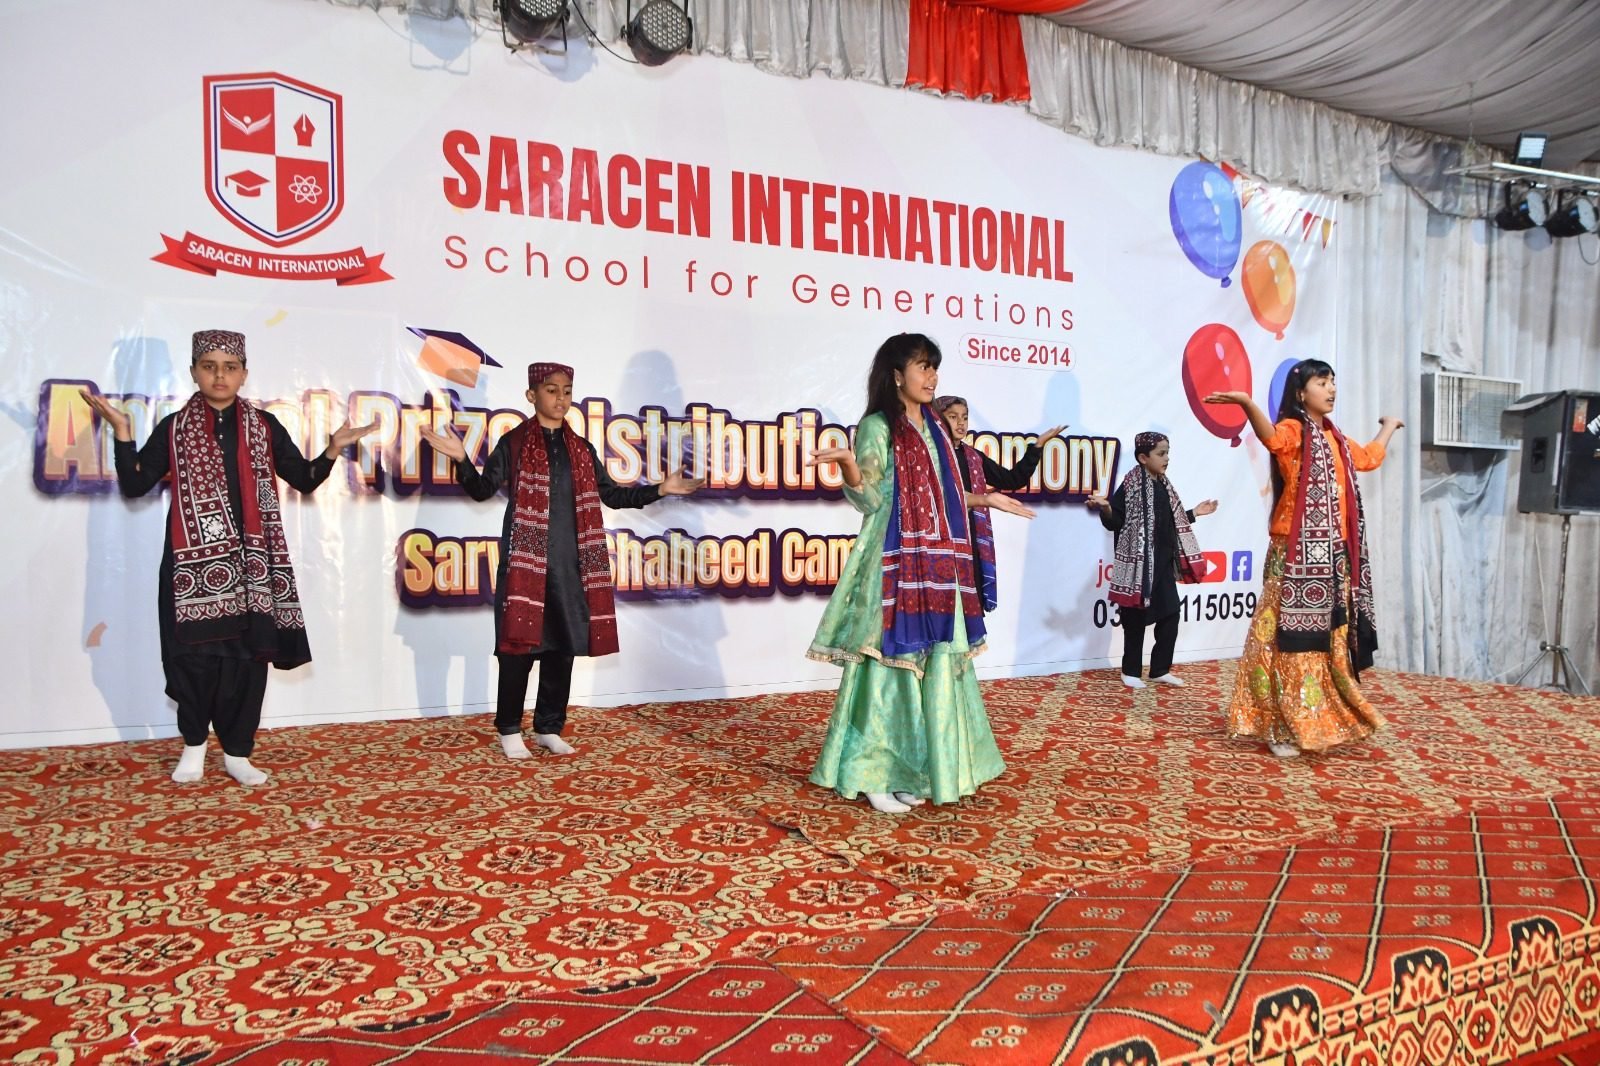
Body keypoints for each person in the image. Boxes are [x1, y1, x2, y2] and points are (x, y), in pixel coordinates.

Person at [81, 329, 375, 785]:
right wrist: (122, 432)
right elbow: (136, 484)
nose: (220, 376)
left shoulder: (264, 427)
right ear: (194, 372)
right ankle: (194, 746)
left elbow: (303, 478)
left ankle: (238, 752)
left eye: (230, 367)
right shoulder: (174, 428)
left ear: (243, 374)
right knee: (191, 659)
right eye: (209, 366)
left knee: (247, 662)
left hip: (253, 567)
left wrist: (333, 449)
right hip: (190, 569)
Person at [421, 362, 702, 760]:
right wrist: (461, 459)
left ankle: (548, 727)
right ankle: (509, 729)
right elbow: (482, 489)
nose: (561, 398)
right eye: (551, 390)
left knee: (561, 649)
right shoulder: (514, 444)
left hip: (572, 568)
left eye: (567, 391)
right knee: (517, 650)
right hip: (525, 568)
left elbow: (613, 495)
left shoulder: (581, 448)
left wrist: (660, 489)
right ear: (531, 395)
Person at [806, 334, 1034, 814]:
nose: (932, 377)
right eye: (923, 366)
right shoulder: (878, 427)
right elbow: (871, 499)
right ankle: (873, 773)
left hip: (939, 566)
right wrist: (849, 465)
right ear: (897, 375)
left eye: (934, 367)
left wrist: (986, 498)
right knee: (887, 665)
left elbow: (940, 496)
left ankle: (913, 769)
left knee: (933, 666)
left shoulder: (935, 427)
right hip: (894, 564)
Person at [1204, 359, 1403, 757]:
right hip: (1292, 553)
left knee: (1323, 642)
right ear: (1300, 393)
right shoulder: (1295, 431)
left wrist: (1389, 426)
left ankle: (1313, 716)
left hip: (1332, 556)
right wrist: (1247, 403)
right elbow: (1272, 439)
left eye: (1333, 382)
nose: (1331, 389)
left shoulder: (1336, 439)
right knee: (1280, 639)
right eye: (1322, 382)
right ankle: (1276, 724)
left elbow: (1368, 458)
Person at [1086, 432, 1217, 688]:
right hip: (1138, 568)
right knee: (1135, 621)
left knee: (1171, 614)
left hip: (1163, 565)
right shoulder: (1131, 485)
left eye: (1167, 453)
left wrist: (1194, 513)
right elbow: (1115, 521)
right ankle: (1130, 672)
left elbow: (1169, 522)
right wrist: (1106, 508)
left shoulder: (1165, 486)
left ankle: (1159, 669)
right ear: (1143, 458)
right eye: (1161, 453)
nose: (1167, 458)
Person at [933, 394, 1065, 613]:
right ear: (938, 419)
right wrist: (984, 499)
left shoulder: (973, 457)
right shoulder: (930, 457)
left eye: (964, 417)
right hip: (940, 545)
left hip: (971, 546)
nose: (960, 423)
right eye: (953, 417)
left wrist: (1038, 446)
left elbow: (1012, 479)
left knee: (970, 614)